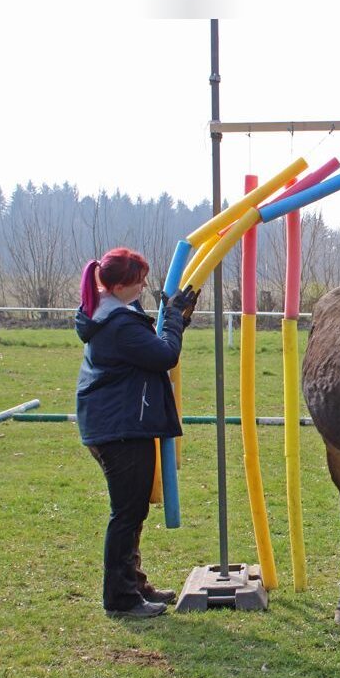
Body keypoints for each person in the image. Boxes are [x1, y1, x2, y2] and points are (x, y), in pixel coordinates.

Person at [75, 247, 197, 619]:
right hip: (121, 428)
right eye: (139, 278)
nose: (145, 283)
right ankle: (121, 598)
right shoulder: (118, 324)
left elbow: (153, 347)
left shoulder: (114, 313)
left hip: (119, 423)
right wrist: (174, 319)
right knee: (126, 513)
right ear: (122, 284)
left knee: (132, 510)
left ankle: (134, 584)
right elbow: (163, 356)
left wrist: (175, 320)